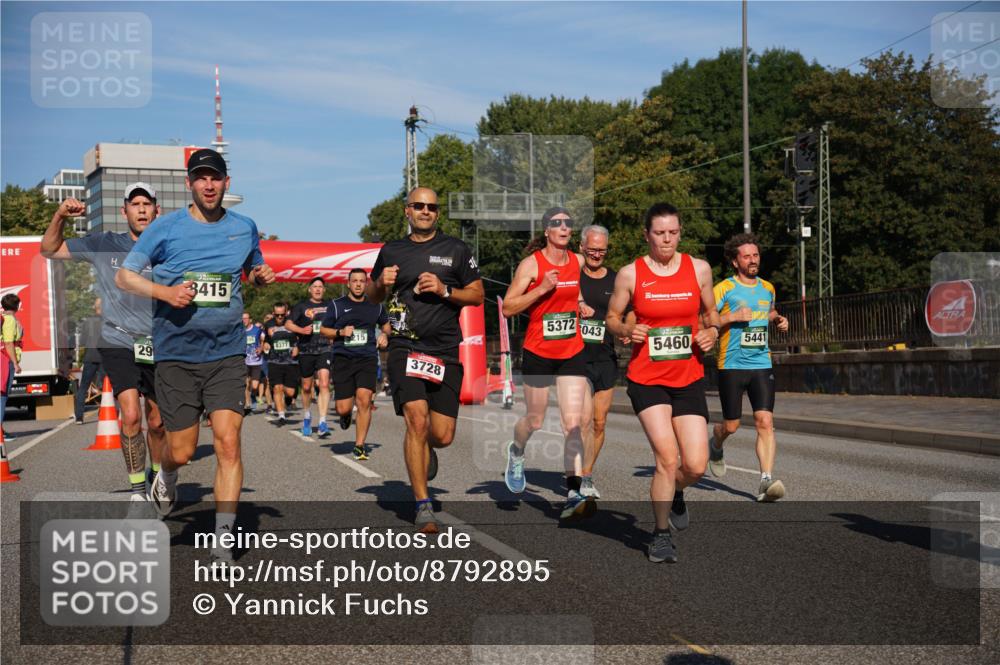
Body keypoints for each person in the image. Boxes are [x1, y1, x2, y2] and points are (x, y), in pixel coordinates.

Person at [116, 149, 275, 563]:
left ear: (227, 182)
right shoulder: (165, 228)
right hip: (177, 356)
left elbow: (254, 271)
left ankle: (224, 538)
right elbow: (125, 276)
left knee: (228, 444)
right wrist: (166, 292)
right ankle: (165, 475)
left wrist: (259, 276)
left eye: (215, 178)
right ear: (189, 183)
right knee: (182, 451)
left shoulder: (244, 228)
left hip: (226, 353)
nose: (208, 185)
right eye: (200, 178)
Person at [606, 203, 721, 564]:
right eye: (659, 233)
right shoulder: (630, 274)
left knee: (697, 465)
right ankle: (659, 535)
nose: (666, 239)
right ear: (647, 235)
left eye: (672, 232)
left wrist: (713, 331)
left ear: (680, 232)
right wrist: (627, 328)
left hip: (687, 377)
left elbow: (710, 312)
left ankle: (674, 494)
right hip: (647, 378)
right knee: (667, 459)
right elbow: (611, 318)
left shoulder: (699, 269)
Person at [367, 187, 484, 533]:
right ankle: (422, 504)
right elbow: (374, 295)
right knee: (416, 421)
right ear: (407, 211)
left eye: (431, 207)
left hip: (445, 350)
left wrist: (446, 290)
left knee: (442, 435)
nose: (426, 211)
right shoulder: (392, 250)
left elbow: (477, 294)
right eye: (419, 206)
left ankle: (426, 451)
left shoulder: (456, 250)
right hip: (406, 346)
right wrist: (380, 282)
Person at [41, 186, 166, 506]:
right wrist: (59, 216)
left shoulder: (168, 247)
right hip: (117, 339)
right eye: (134, 204)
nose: (141, 209)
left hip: (158, 342)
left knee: (157, 422)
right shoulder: (104, 243)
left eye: (146, 204)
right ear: (124, 211)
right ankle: (138, 490)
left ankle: (157, 475)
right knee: (130, 415)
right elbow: (49, 249)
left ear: (157, 210)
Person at [501, 207, 595, 521]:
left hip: (571, 350)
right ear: (547, 231)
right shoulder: (532, 265)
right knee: (536, 420)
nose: (565, 227)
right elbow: (508, 308)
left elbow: (576, 285)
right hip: (539, 351)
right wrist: (541, 289)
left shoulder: (578, 261)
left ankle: (573, 490)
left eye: (569, 223)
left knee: (573, 422)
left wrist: (580, 301)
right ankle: (516, 452)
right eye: (558, 223)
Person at [708, 233, 789, 502]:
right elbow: (704, 321)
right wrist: (731, 316)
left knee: (765, 421)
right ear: (735, 261)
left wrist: (777, 320)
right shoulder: (723, 289)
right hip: (731, 364)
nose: (753, 260)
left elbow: (767, 311)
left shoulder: (768, 287)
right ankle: (716, 443)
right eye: (747, 256)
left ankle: (765, 480)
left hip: (761, 362)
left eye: (755, 255)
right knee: (731, 426)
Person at [577, 224, 629, 499]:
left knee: (599, 423)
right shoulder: (572, 276)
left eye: (602, 250)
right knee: (584, 420)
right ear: (582, 247)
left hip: (605, 357)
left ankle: (586, 473)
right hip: (575, 359)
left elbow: (630, 313)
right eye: (592, 249)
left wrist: (625, 331)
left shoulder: (617, 279)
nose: (597, 254)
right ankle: (580, 477)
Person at [321, 268, 390, 460]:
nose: (358, 284)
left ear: (366, 283)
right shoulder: (337, 305)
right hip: (343, 358)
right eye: (355, 281)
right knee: (343, 407)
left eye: (362, 281)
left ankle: (359, 445)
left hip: (367, 358)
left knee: (364, 400)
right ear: (348, 283)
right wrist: (340, 333)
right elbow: (324, 330)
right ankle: (345, 416)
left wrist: (385, 334)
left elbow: (386, 325)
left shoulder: (375, 305)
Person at [285, 278, 334, 437]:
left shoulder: (330, 305)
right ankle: (307, 417)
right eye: (315, 287)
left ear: (324, 290)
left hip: (324, 348)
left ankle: (322, 422)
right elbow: (288, 324)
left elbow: (338, 322)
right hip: (306, 349)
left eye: (321, 287)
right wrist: (301, 330)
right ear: (309, 289)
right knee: (306, 387)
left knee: (324, 383)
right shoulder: (301, 306)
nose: (318, 289)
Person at [263, 302, 299, 425]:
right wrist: (266, 344)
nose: (279, 317)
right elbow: (266, 341)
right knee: (277, 388)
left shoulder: (291, 323)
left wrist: (297, 347)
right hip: (275, 361)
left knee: (290, 392)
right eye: (277, 315)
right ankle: (281, 416)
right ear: (273, 314)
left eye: (282, 315)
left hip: (290, 361)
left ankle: (289, 399)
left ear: (286, 313)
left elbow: (300, 337)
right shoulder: (268, 324)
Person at [74, 298, 106, 424]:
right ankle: (103, 412)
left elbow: (82, 341)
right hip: (104, 357)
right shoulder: (108, 322)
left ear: (94, 307)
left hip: (90, 356)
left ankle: (79, 417)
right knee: (106, 387)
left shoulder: (88, 322)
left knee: (84, 387)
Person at [1, 294, 24, 439]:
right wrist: (15, 363)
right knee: (2, 396)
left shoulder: (6, 318)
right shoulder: (10, 321)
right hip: (5, 360)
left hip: (3, 358)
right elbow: (9, 343)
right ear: (16, 306)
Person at [243, 311, 265, 415]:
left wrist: (261, 347)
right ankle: (248, 405)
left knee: (255, 386)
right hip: (244, 361)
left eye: (246, 318)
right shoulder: (240, 331)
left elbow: (264, 340)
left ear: (250, 320)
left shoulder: (257, 330)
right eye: (242, 319)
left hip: (256, 361)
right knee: (246, 384)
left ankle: (253, 396)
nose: (244, 320)